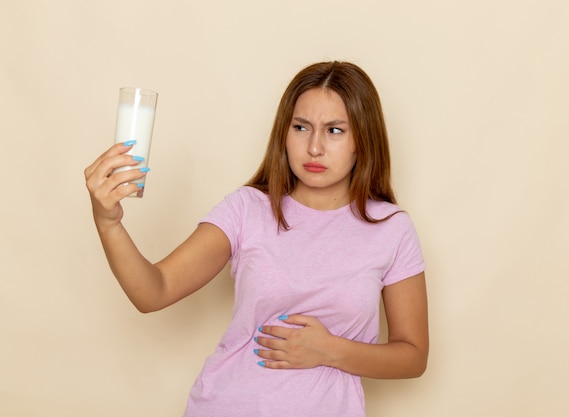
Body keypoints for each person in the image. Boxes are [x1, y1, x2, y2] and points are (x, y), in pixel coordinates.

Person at [84, 61, 429, 417]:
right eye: (301, 127)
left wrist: (329, 350)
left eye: (335, 130)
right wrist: (108, 222)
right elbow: (153, 291)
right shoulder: (247, 209)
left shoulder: (390, 228)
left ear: (363, 139)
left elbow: (413, 355)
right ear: (284, 132)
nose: (314, 147)